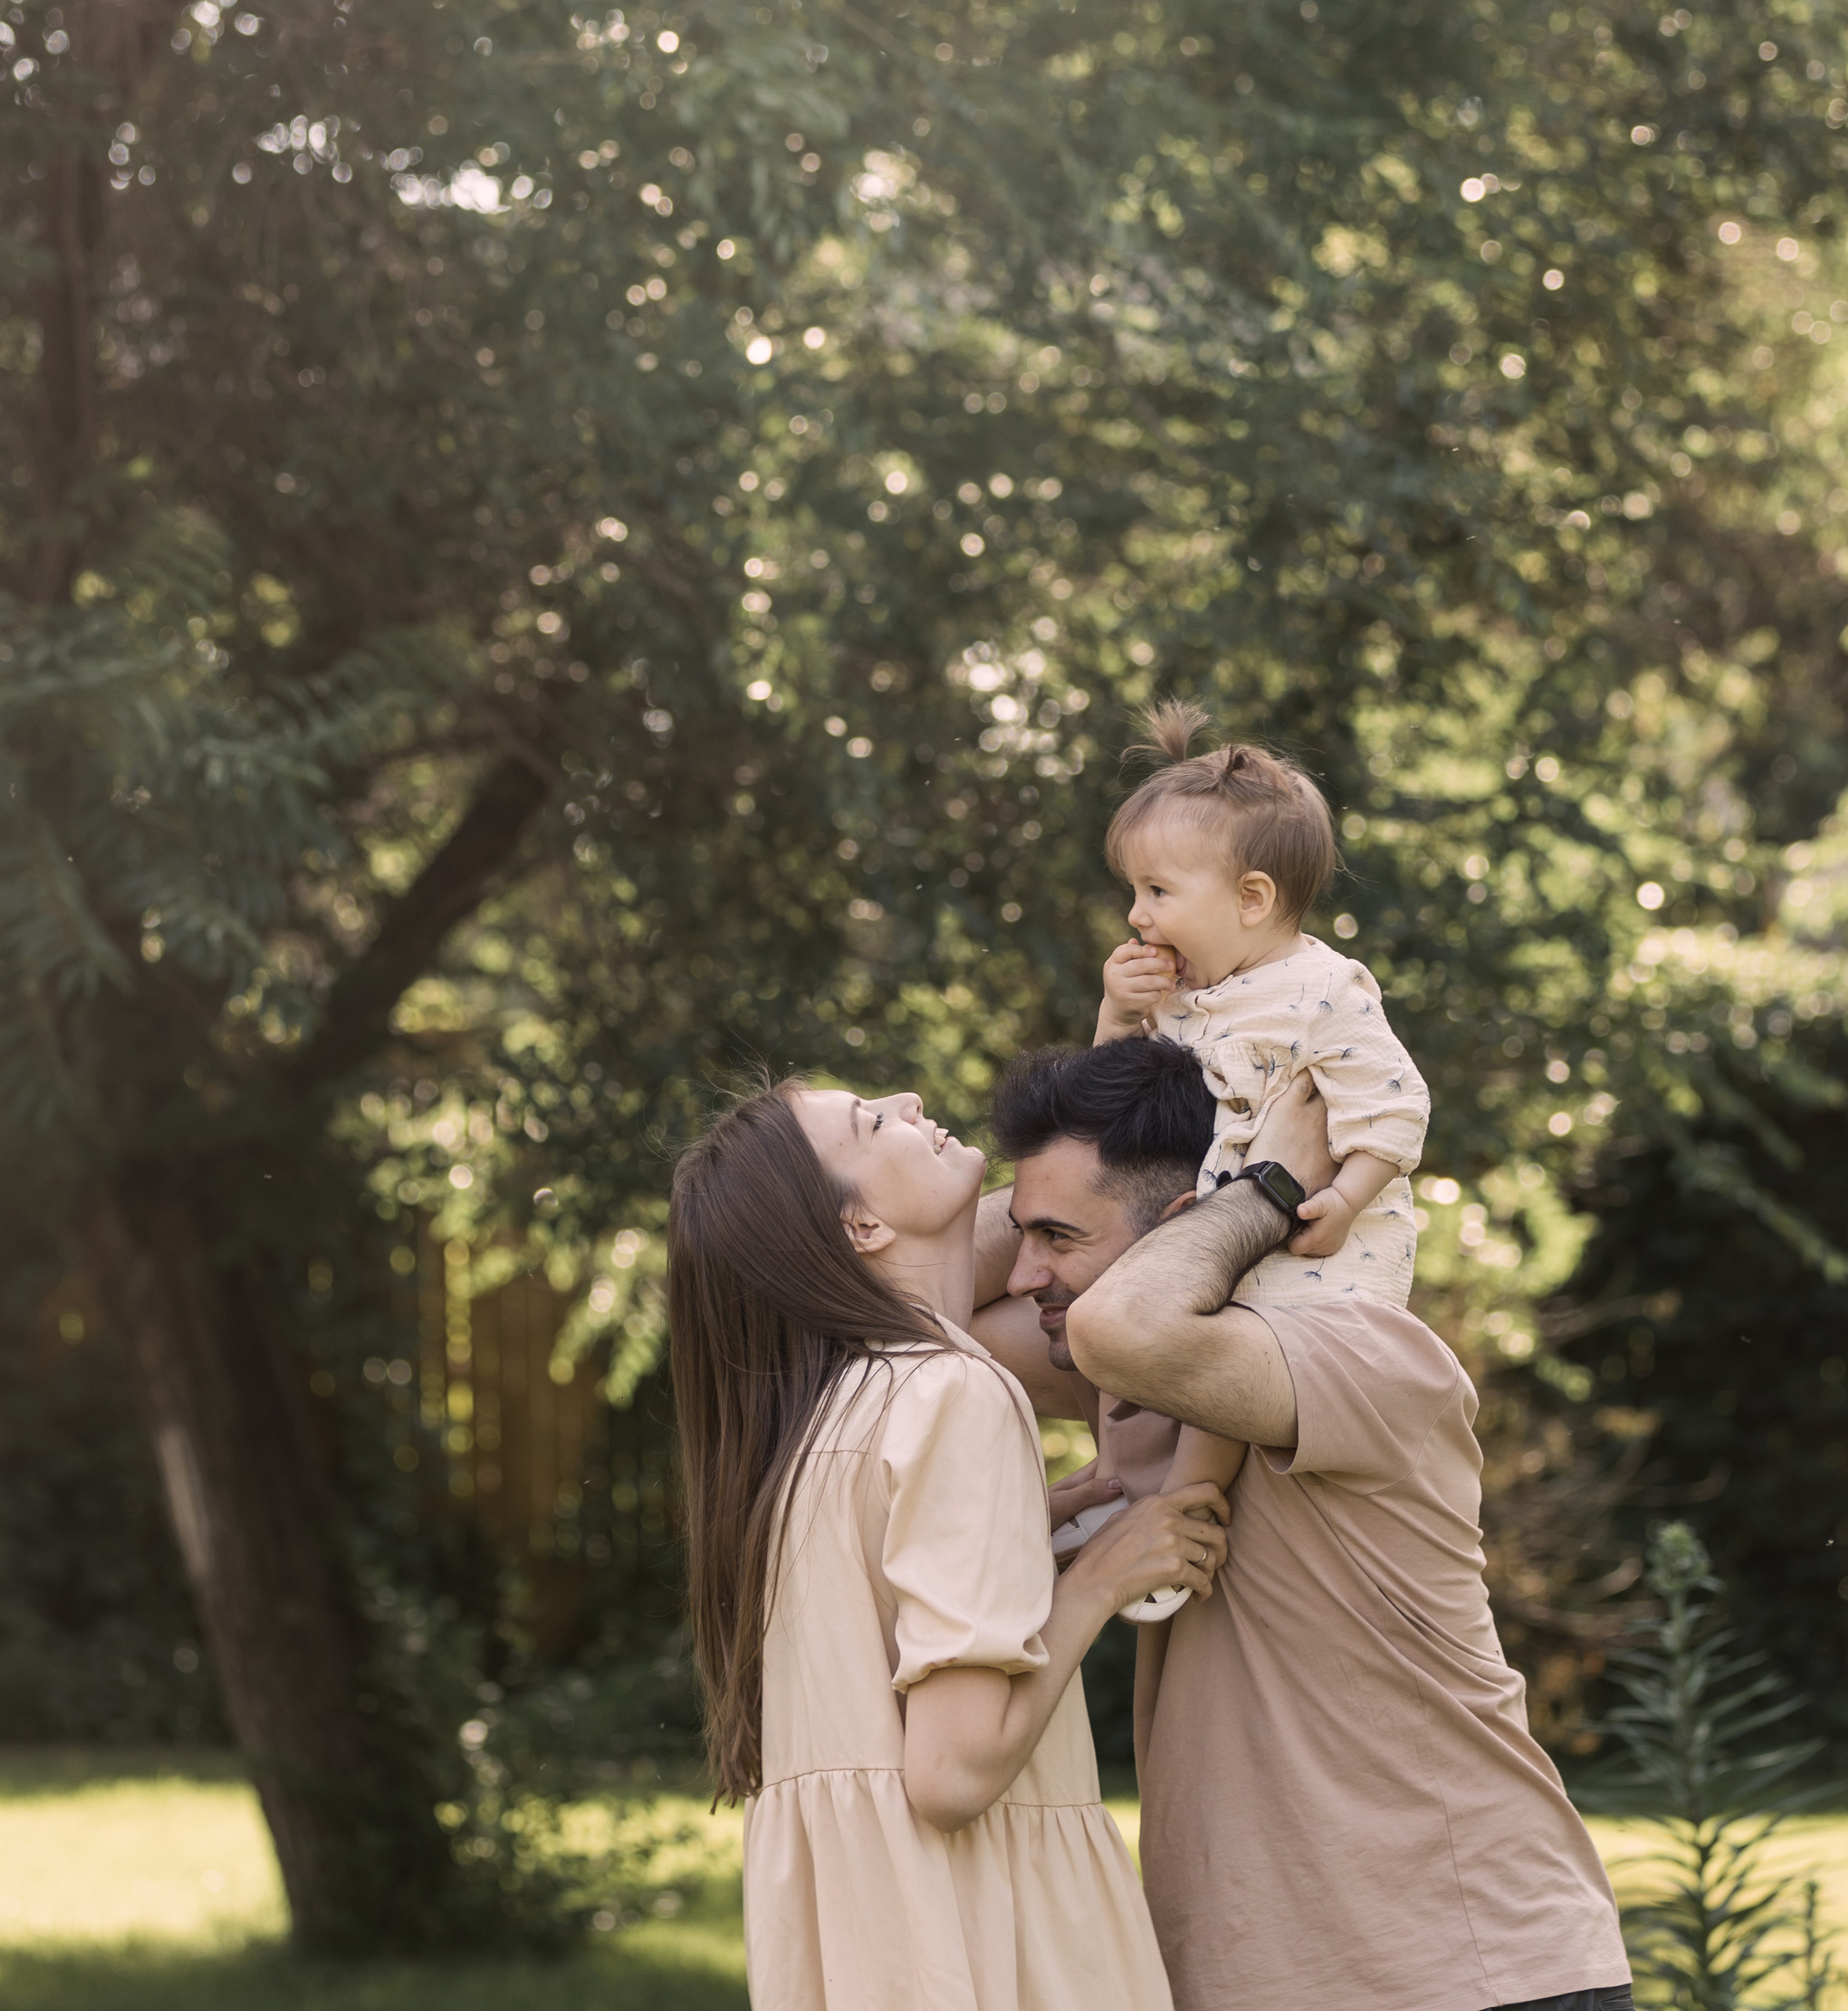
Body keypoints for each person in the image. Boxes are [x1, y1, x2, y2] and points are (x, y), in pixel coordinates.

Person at [972, 1039, 1634, 2011]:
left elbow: (1127, 1325)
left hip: (1464, 1972)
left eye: (1058, 1238)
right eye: (1024, 1235)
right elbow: (888, 1300)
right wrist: (1093, 1180)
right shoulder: (1130, 1378)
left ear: (1187, 1225)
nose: (1027, 1273)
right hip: (1258, 1978)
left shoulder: (1362, 1356)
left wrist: (1261, 1182)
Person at [666, 1078, 1230, 2011]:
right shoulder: (950, 1395)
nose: (907, 1096)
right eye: (869, 1122)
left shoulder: (821, 1418)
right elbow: (950, 1771)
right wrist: (1097, 1579)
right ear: (859, 1228)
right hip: (976, 1939)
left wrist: (1020, 1540)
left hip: (870, 1946)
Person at [1079, 701, 1434, 1560]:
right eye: (1135, 891)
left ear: (1251, 899)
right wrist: (1114, 1013)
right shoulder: (1180, 997)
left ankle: (1177, 1522)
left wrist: (1344, 1201)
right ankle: (1130, 1498)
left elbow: (1395, 1105)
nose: (1136, 915)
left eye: (1157, 892)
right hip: (1214, 1242)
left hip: (1318, 1260)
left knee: (1210, 1395)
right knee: (1152, 1374)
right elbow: (1107, 1102)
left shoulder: (1325, 992)